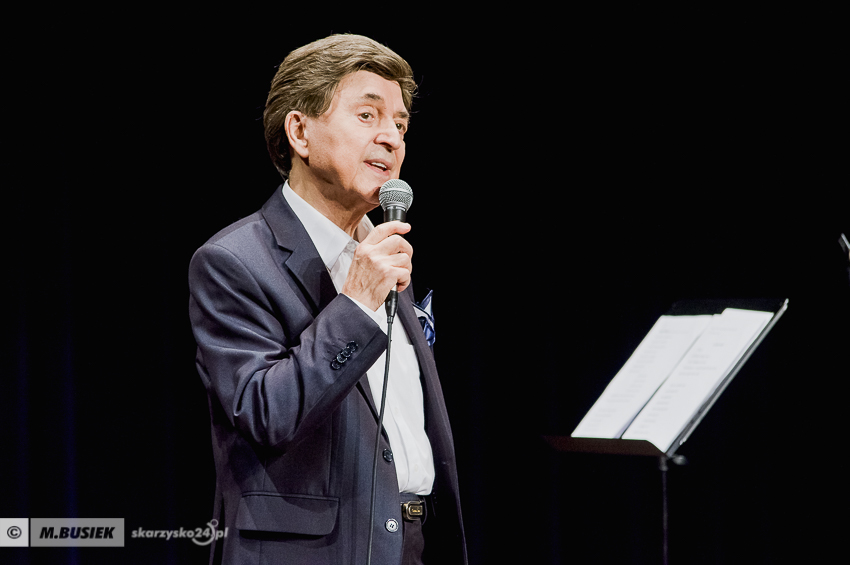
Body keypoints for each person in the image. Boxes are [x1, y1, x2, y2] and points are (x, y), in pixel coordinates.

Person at [188, 34, 467, 565]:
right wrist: (357, 303)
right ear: (299, 132)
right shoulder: (233, 262)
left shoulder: (383, 251)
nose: (391, 138)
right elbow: (266, 412)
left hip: (415, 541)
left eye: (401, 124)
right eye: (367, 115)